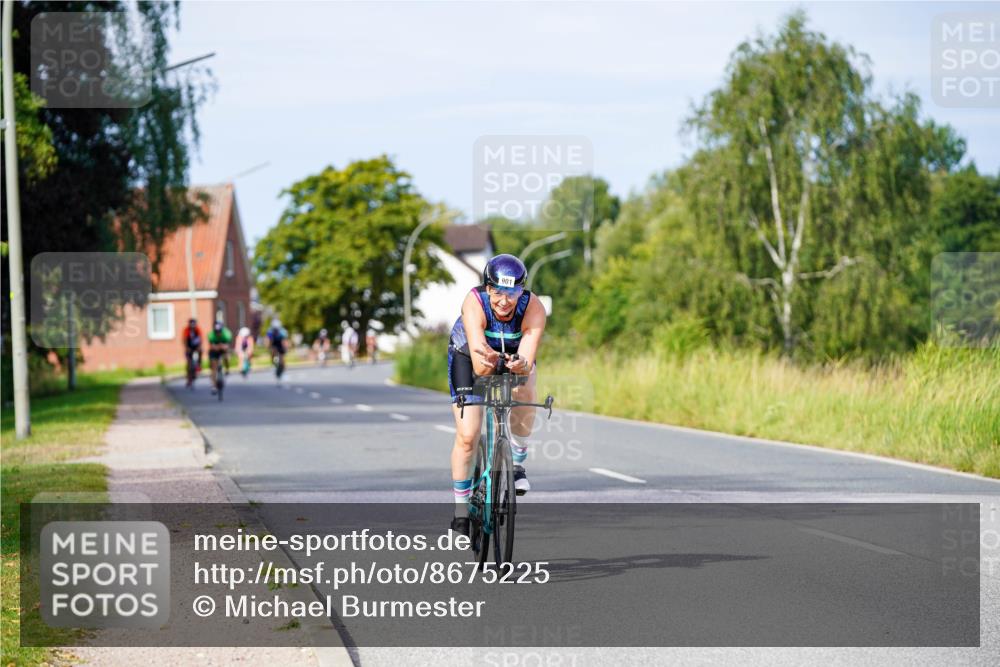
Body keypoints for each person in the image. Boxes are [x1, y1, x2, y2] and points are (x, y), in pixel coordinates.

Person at [446, 254, 546, 536]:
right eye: (497, 292)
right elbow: (480, 366)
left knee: (525, 388)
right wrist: (495, 361)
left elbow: (527, 358)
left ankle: (516, 463)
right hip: (469, 357)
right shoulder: (473, 302)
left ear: (522, 290)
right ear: (487, 288)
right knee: (468, 435)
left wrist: (520, 365)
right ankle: (461, 512)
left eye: (512, 292)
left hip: (509, 353)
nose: (504, 300)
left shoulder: (533, 307)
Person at [207, 321, 233, 394]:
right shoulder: (211, 335)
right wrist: (219, 346)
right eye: (216, 332)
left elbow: (227, 346)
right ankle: (214, 386)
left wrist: (222, 346)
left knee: (226, 357)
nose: (218, 333)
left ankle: (227, 368)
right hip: (214, 351)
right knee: (214, 367)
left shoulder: (226, 334)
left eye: (219, 331)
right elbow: (212, 346)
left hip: (223, 349)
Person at [181, 318, 203, 388]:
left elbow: (200, 339)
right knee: (189, 363)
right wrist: (187, 348)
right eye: (191, 325)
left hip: (196, 346)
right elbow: (184, 340)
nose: (193, 326)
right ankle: (188, 380)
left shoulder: (198, 329)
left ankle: (199, 364)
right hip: (189, 346)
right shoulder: (186, 330)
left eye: (194, 325)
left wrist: (199, 347)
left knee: (200, 351)